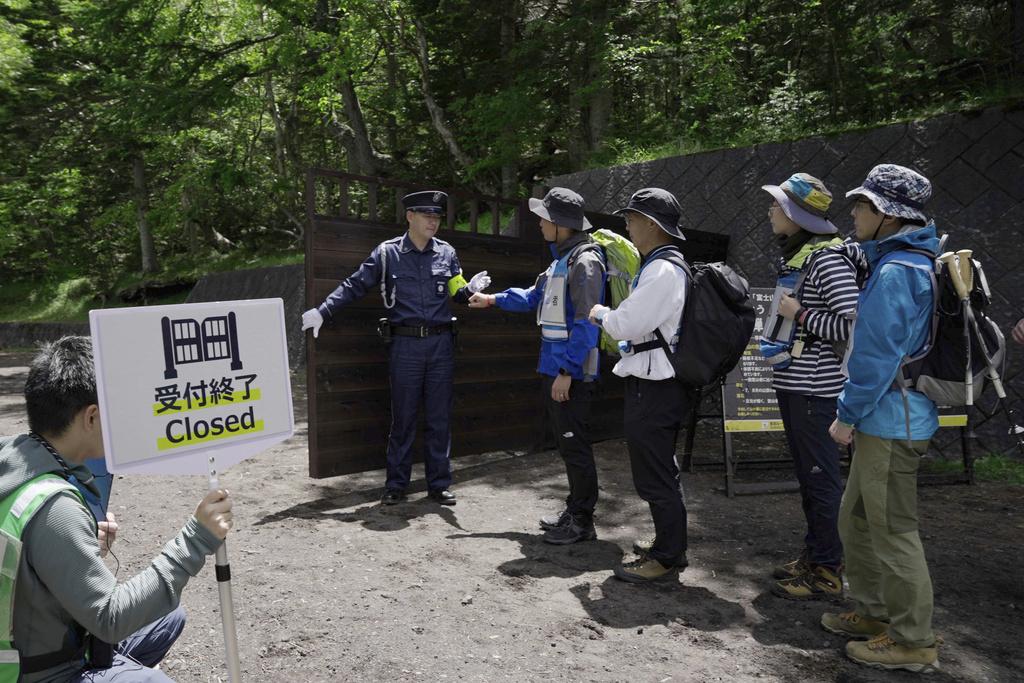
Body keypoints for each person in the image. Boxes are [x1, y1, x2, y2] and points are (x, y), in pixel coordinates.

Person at [1, 336, 233, 682]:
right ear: (92, 417)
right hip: (40, 671)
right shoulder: (55, 509)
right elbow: (111, 619)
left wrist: (81, 549)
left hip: (29, 638)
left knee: (168, 618)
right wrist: (197, 539)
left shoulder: (17, 457)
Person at [824, 164, 942, 673]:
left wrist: (845, 416)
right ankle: (874, 614)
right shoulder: (906, 262)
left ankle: (913, 640)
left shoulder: (897, 272)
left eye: (864, 206)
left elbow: (876, 357)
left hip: (891, 421)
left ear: (889, 215)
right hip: (888, 417)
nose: (854, 213)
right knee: (856, 520)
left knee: (893, 530)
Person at [301, 191, 491, 506]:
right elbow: (354, 284)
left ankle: (439, 484)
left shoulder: (446, 253)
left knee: (439, 418)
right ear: (410, 217)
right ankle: (396, 485)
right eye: (427, 215)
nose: (433, 221)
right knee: (403, 417)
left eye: (437, 216)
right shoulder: (387, 253)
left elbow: (456, 291)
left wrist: (469, 289)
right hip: (405, 346)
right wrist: (323, 310)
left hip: (441, 344)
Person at [468, 187, 606, 544]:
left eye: (545, 217)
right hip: (556, 368)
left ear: (561, 224)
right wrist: (492, 299)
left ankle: (582, 521)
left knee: (574, 445)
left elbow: (586, 323)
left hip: (570, 373)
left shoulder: (585, 263)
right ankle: (574, 510)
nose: (540, 223)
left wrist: (567, 373)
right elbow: (533, 298)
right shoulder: (562, 259)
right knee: (567, 443)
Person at [759, 173, 860, 600]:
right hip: (798, 385)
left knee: (820, 480)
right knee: (809, 476)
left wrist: (800, 315)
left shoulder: (825, 259)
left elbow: (854, 319)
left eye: (777, 206)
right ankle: (816, 554)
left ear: (796, 215)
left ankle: (827, 571)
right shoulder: (804, 255)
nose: (770, 212)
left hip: (817, 389)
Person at [587, 188, 690, 583]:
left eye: (631, 218)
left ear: (652, 224)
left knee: (654, 472)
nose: (627, 224)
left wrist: (599, 312)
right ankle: (669, 546)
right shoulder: (666, 264)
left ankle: (665, 557)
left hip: (656, 383)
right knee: (661, 467)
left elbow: (626, 323)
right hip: (657, 380)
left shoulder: (663, 269)